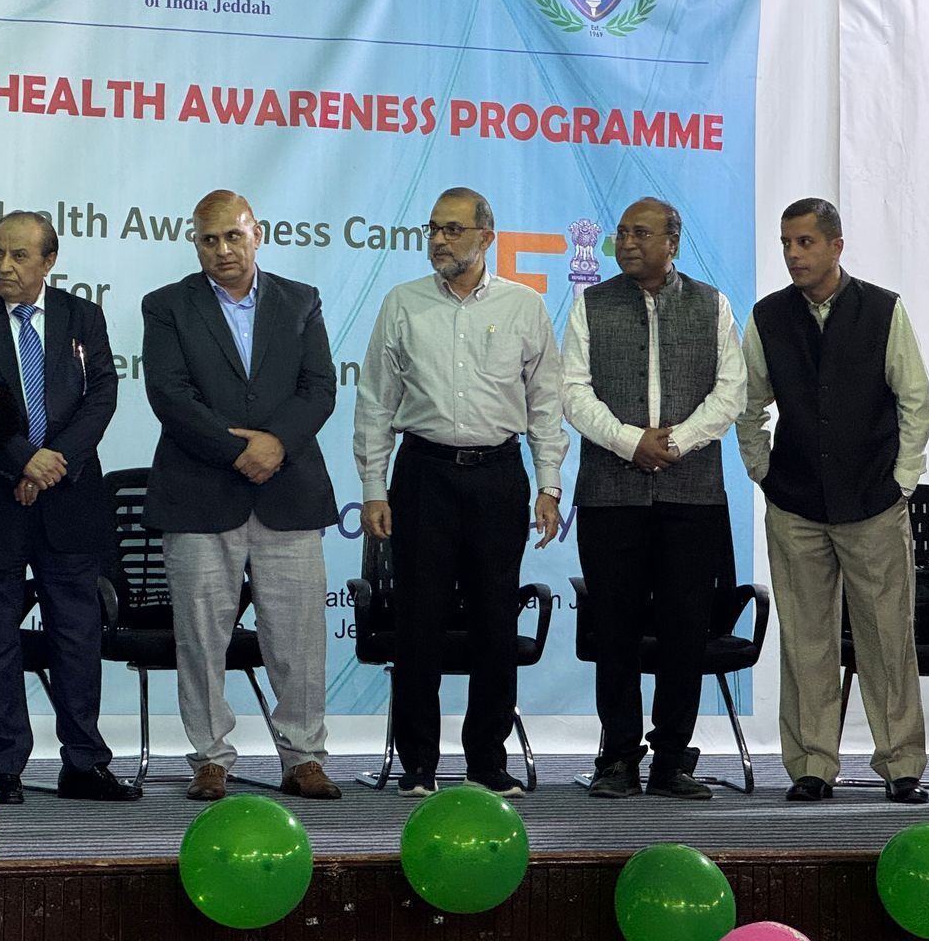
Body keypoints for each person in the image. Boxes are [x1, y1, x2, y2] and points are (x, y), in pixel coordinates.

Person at [353, 187, 568, 797]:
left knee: (494, 623)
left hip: (499, 476)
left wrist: (549, 484)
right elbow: (375, 403)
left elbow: (545, 403)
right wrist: (373, 486)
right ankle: (418, 764)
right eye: (434, 229)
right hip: (423, 474)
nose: (440, 240)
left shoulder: (524, 305)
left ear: (485, 237)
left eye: (453, 229)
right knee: (418, 622)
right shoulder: (403, 303)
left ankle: (487, 762)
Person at [142, 189, 342, 802]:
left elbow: (319, 388)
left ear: (258, 235)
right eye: (209, 239)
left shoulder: (300, 300)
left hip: (288, 491)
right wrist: (238, 451)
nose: (222, 249)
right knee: (201, 638)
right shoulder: (167, 305)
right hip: (200, 491)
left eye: (233, 235)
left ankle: (304, 757)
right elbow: (170, 394)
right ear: (195, 243)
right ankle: (210, 758)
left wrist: (275, 443)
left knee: (299, 638)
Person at [0, 210, 137, 804]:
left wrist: (53, 464)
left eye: (19, 255)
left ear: (49, 261)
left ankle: (84, 763)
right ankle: (3, 767)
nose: (4, 266)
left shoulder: (83, 317)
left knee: (76, 635)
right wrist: (25, 460)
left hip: (67, 500)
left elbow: (102, 396)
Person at [737, 198, 929, 805]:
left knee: (887, 638)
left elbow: (917, 402)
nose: (793, 254)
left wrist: (902, 481)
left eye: (805, 242)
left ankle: (901, 764)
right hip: (795, 503)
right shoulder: (768, 316)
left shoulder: (883, 309)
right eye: (786, 243)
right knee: (805, 639)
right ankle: (811, 765)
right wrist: (762, 471)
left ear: (836, 246)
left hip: (873, 501)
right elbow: (747, 404)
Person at [561, 196, 745, 800]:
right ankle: (617, 758)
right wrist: (628, 441)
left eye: (641, 233)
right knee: (614, 629)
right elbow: (573, 391)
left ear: (673, 242)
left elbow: (731, 391)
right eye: (621, 233)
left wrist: (677, 442)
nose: (627, 243)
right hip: (610, 496)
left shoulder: (712, 304)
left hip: (692, 495)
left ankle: (671, 760)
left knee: (684, 630)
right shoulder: (591, 303)